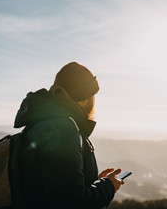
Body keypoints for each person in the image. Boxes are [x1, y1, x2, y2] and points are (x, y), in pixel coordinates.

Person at [13, 62, 124, 208]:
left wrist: (95, 182)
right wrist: (108, 187)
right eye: (93, 96)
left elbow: (53, 187)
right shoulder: (62, 131)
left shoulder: (41, 123)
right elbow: (73, 202)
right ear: (85, 99)